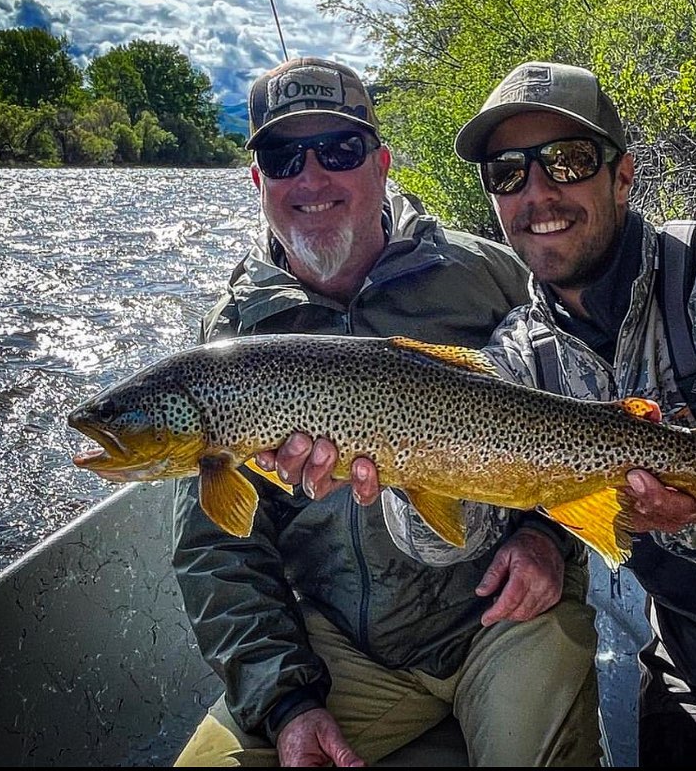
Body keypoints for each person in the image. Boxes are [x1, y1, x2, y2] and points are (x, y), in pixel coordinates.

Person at [313, 60, 696, 766]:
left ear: (623, 176)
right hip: (693, 658)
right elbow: (455, 540)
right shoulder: (517, 355)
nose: (538, 192)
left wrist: (689, 516)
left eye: (567, 162)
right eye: (507, 173)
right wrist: (391, 464)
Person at [171, 57, 603, 768]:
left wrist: (547, 542)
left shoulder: (487, 274)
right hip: (344, 644)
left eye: (339, 151)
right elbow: (220, 548)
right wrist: (286, 701)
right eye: (283, 157)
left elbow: (577, 413)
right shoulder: (232, 340)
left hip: (504, 610)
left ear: (382, 164)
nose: (311, 179)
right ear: (258, 183)